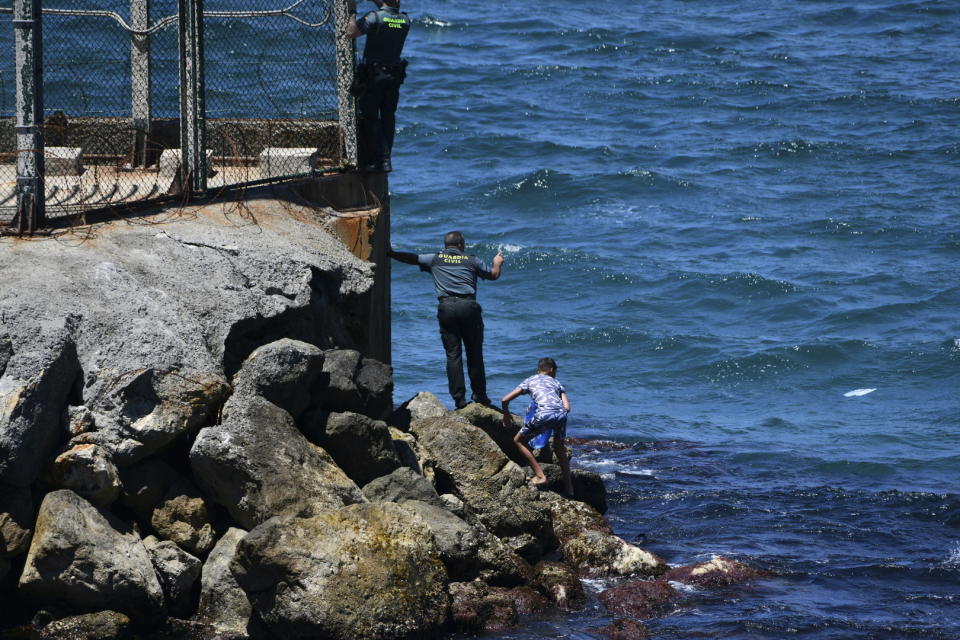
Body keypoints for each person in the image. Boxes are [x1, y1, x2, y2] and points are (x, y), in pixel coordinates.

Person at [388, 231, 504, 409]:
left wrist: (392, 253)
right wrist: (497, 263)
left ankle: (459, 399)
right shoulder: (472, 260)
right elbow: (493, 275)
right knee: (474, 353)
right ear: (460, 244)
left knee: (453, 355)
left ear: (445, 245)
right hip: (468, 307)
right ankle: (480, 396)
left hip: (446, 307)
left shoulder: (435, 259)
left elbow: (413, 258)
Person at [346, 0, 411, 173]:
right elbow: (390, 13)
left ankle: (381, 159)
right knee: (388, 116)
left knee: (369, 115)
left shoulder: (375, 17)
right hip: (394, 76)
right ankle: (385, 155)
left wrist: (352, 12)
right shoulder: (405, 20)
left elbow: (351, 32)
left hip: (375, 76)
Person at [501, 357, 573, 495]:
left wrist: (506, 414)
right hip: (561, 416)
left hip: (544, 414)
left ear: (539, 369)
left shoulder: (530, 380)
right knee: (560, 450)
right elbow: (567, 407)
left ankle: (540, 476)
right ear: (552, 370)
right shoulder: (556, 382)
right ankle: (569, 489)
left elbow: (505, 399)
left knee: (518, 441)